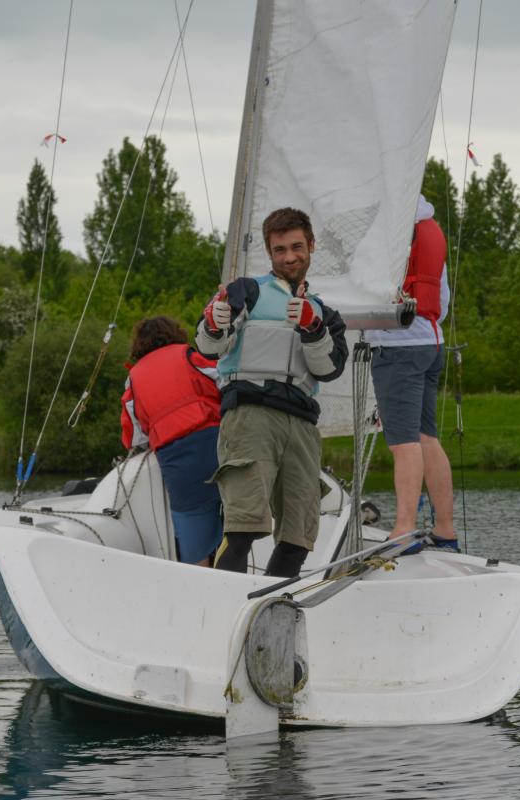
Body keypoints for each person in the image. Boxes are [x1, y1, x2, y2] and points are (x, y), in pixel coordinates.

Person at [196, 207, 349, 578]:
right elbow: (209, 346)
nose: (289, 257)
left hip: (302, 424)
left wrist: (313, 328)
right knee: (242, 526)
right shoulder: (247, 291)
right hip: (251, 415)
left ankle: (272, 602)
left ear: (311, 246)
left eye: (296, 247)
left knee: (299, 535)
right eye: (280, 250)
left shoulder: (326, 315)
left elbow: (329, 369)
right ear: (269, 252)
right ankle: (223, 602)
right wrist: (213, 324)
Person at [365, 194, 457, 552]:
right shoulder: (430, 230)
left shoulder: (389, 230)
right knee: (426, 437)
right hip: (431, 342)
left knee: (403, 443)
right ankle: (445, 530)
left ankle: (403, 530)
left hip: (397, 347)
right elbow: (442, 304)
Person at [120, 316, 223, 565]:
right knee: (237, 525)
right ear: (174, 333)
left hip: (177, 460)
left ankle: (202, 577)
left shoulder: (134, 378)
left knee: (195, 541)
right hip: (216, 443)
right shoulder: (187, 355)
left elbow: (133, 436)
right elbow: (224, 380)